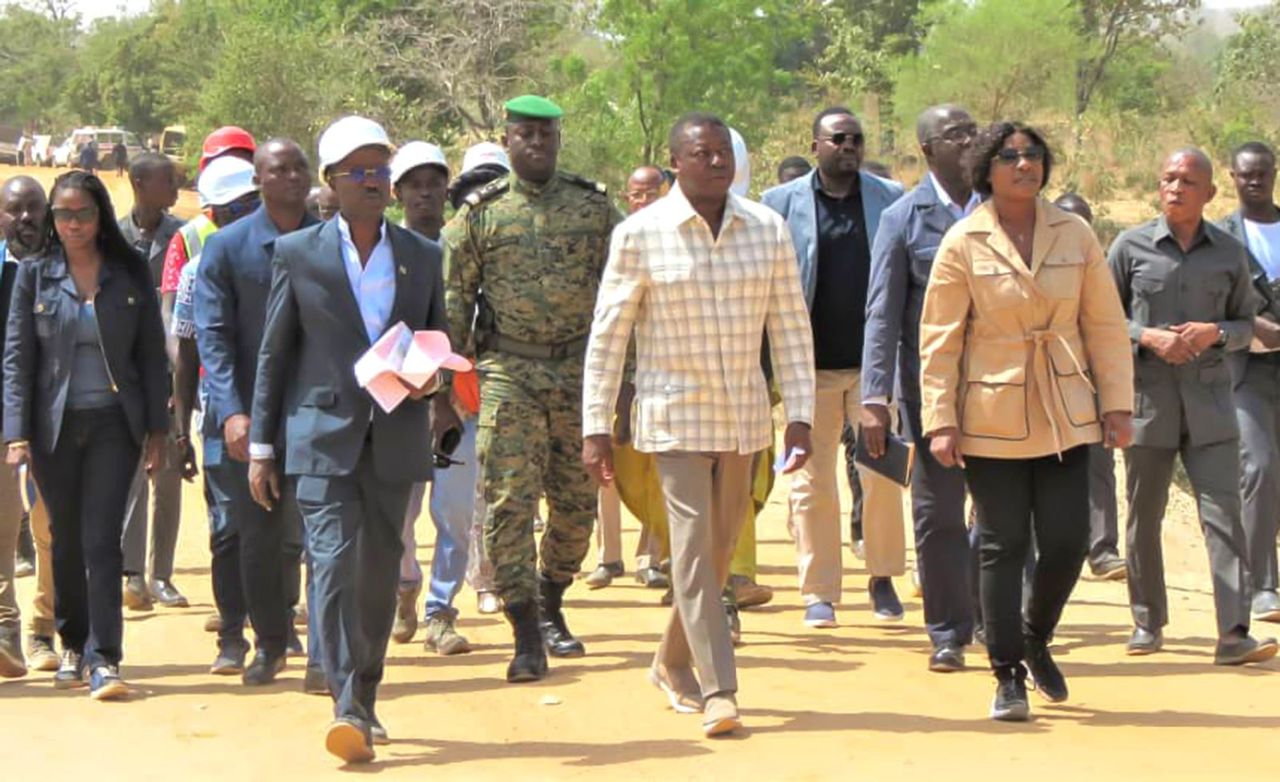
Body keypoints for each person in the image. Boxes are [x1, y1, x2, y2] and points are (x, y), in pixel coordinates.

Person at [582, 111, 815, 737]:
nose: (715, 162)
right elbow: (609, 336)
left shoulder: (766, 229)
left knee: (717, 552)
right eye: (701, 153)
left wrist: (800, 414)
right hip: (674, 416)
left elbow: (790, 327)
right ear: (674, 162)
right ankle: (719, 689)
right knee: (690, 549)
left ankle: (669, 659)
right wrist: (596, 424)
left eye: (723, 153)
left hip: (743, 418)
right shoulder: (640, 234)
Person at [248, 115, 449, 763]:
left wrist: (431, 379)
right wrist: (262, 446)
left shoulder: (422, 256)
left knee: (379, 570)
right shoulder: (297, 253)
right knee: (332, 562)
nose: (372, 181)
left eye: (380, 170)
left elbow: (437, 340)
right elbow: (275, 353)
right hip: (321, 434)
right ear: (331, 182)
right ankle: (347, 705)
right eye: (358, 172)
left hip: (395, 432)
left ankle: (366, 685)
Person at [919, 121, 1135, 721]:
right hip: (991, 412)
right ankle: (1007, 673)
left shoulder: (1075, 232)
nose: (1024, 164)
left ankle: (1036, 636)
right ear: (986, 168)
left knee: (1068, 541)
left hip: (1066, 407)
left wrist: (1117, 404)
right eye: (1010, 156)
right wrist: (941, 419)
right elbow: (939, 339)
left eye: (1033, 154)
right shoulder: (963, 240)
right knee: (1002, 542)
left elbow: (1105, 325)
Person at [441, 95, 623, 683]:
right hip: (508, 374)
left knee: (577, 504)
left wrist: (624, 379)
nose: (537, 144)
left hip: (579, 373)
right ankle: (524, 630)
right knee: (508, 503)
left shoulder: (594, 208)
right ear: (507, 140)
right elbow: (454, 304)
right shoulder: (482, 214)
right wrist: (448, 390)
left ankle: (552, 598)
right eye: (526, 134)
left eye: (546, 134)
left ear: (558, 139)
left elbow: (624, 291)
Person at [3, 170, 170, 700]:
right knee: (65, 539)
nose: (72, 224)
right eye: (63, 215)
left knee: (101, 539)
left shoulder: (129, 271)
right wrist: (16, 433)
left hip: (114, 425)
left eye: (82, 214)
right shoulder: (35, 274)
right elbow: (17, 359)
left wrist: (159, 429)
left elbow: (152, 354)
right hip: (53, 429)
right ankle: (72, 645)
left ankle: (105, 658)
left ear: (100, 216)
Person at [1110, 147, 1279, 665]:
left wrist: (1215, 333)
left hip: (1211, 406)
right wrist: (1147, 337)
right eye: (1168, 178)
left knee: (1223, 517)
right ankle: (1147, 620)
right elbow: (1101, 320)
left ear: (1210, 193)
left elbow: (1247, 324)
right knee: (1144, 516)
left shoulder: (1229, 251)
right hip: (1148, 403)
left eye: (1187, 181)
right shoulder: (1130, 246)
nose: (1176, 188)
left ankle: (1233, 632)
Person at [761, 106, 908, 628]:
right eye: (839, 138)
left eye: (856, 139)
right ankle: (818, 591)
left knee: (882, 475)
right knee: (811, 480)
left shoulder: (891, 199)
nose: (849, 146)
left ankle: (883, 577)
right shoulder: (779, 204)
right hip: (808, 367)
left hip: (873, 368)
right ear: (816, 145)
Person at [191, 143, 318, 687]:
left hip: (318, 413)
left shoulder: (332, 241)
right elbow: (213, 338)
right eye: (278, 170)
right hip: (253, 418)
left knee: (321, 536)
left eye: (298, 168)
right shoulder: (227, 249)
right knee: (260, 536)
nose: (291, 177)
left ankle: (323, 649)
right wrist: (232, 413)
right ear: (258, 181)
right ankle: (269, 642)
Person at [861, 104, 981, 672]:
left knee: (1005, 513)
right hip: (928, 393)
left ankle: (992, 614)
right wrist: (875, 398)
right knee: (938, 515)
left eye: (974, 131)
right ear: (929, 149)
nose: (970, 140)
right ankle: (948, 631)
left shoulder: (1005, 209)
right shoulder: (903, 218)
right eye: (957, 135)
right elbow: (882, 314)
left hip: (1002, 391)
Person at [385, 140, 472, 655]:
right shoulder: (384, 251)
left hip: (461, 404)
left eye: (434, 183)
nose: (425, 194)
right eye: (414, 185)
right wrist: (426, 392)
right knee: (399, 515)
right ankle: (405, 587)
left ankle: (441, 611)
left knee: (455, 512)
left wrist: (449, 397)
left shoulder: (466, 244)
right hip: (401, 402)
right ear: (397, 192)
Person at [584, 163, 670, 591]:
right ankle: (608, 557)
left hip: (658, 373)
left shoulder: (674, 239)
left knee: (655, 466)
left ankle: (650, 557)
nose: (643, 201)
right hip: (614, 370)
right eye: (636, 194)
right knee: (606, 464)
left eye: (651, 192)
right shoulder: (616, 238)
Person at [117, 152, 188, 611]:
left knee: (168, 476)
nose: (176, 190)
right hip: (124, 375)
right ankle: (132, 574)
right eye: (168, 181)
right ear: (139, 183)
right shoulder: (113, 237)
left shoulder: (182, 236)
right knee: (129, 474)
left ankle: (161, 574)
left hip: (169, 371)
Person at [1052, 192, 1127, 581]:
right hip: (1045, 382)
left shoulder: (1105, 270)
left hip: (1093, 383)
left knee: (1099, 465)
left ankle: (1102, 550)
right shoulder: (1038, 265)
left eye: (1083, 222)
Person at [0, 177, 58, 674]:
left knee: (49, 530)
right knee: (1, 526)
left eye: (33, 207)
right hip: (4, 419)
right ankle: (7, 631)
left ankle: (44, 629)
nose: (25, 218)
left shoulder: (66, 268)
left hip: (57, 419)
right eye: (13, 209)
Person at [1221, 141, 1280, 623]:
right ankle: (1261, 585)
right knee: (1259, 467)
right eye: (1246, 174)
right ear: (1232, 177)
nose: (1255, 180)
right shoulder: (1219, 238)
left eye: (1263, 172)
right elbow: (1209, 300)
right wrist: (1254, 326)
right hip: (1246, 371)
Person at [159, 127, 257, 340]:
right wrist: (179, 354)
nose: (232, 169)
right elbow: (170, 312)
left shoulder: (277, 226)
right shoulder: (187, 237)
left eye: (241, 161)